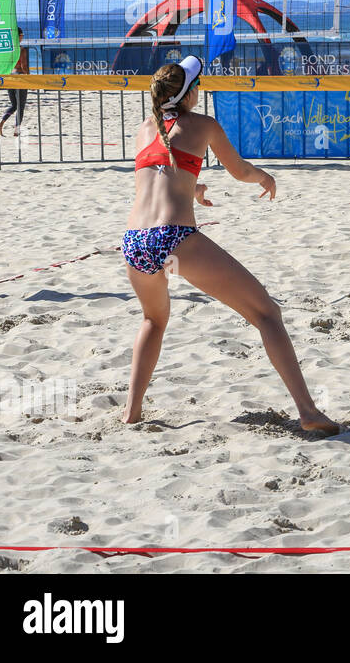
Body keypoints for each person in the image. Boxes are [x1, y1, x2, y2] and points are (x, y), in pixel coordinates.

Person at [122, 55, 338, 434]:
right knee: (267, 313)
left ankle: (131, 413)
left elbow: (160, 176)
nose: (202, 88)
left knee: (153, 320)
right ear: (189, 94)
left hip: (135, 243)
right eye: (199, 84)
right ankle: (308, 412)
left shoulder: (144, 128)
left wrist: (195, 189)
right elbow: (239, 171)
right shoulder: (203, 124)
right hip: (173, 239)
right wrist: (264, 177)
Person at [0, 27, 30, 138]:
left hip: (9, 77)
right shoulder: (21, 49)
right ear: (19, 36)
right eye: (22, 35)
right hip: (19, 78)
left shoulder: (8, 49)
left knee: (14, 105)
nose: (23, 37)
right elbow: (23, 66)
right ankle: (16, 130)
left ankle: (1, 124)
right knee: (20, 106)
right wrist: (29, 80)